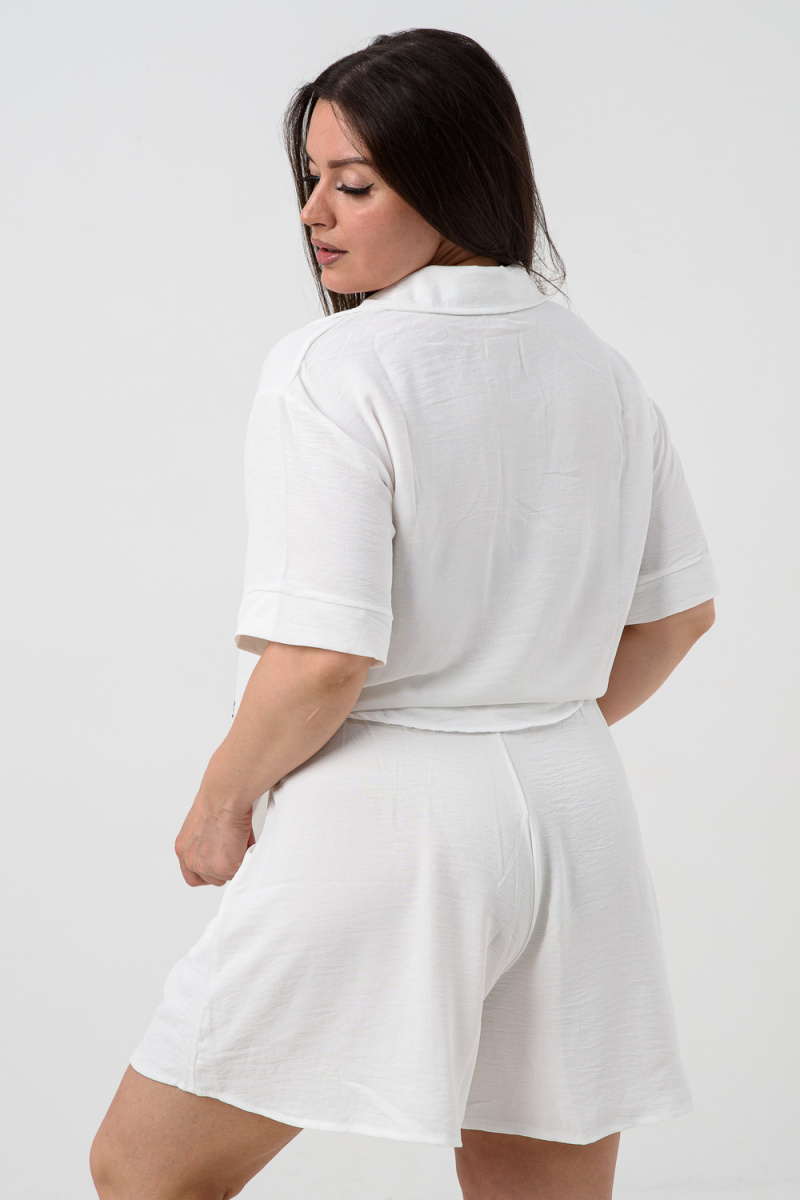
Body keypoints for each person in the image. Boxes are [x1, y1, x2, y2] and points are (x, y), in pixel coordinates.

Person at [90, 27, 719, 1200]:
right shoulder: (599, 369)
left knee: (143, 1171)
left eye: (354, 184)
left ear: (452, 180)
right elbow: (677, 619)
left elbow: (324, 658)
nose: (313, 214)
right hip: (577, 817)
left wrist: (218, 806)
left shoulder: (336, 367)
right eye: (311, 179)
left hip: (384, 814)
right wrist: (520, 715)